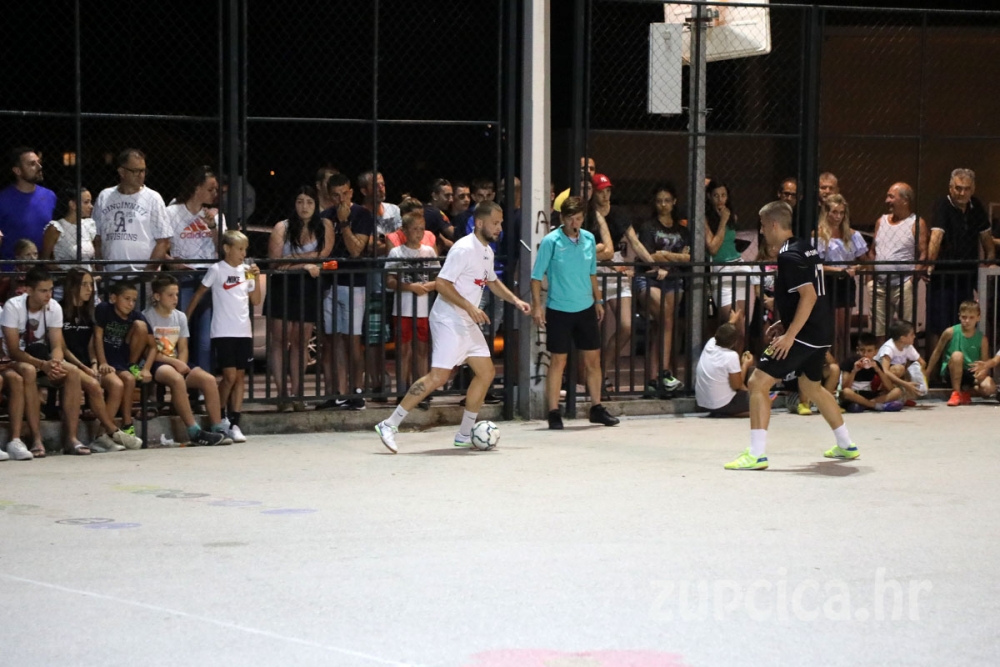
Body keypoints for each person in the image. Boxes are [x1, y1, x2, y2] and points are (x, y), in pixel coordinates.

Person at [374, 201, 531, 453]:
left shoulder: (487, 251)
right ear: (479, 223)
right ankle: (389, 424)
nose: (499, 228)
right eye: (495, 223)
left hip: (465, 321)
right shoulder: (463, 249)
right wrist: (470, 307)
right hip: (448, 319)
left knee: (486, 372)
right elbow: (442, 284)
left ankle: (464, 434)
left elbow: (492, 281)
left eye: (500, 223)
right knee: (438, 377)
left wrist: (515, 300)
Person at [724, 201, 858, 470]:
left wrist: (789, 335)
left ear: (774, 224)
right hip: (820, 331)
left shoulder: (788, 256)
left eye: (763, 226)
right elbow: (805, 296)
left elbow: (808, 296)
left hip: (804, 335)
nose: (762, 231)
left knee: (757, 382)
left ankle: (756, 454)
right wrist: (783, 321)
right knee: (812, 387)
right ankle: (846, 445)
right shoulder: (805, 247)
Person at [530, 196, 620, 430]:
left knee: (593, 360)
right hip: (559, 308)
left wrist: (598, 300)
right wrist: (537, 306)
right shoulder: (551, 241)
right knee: (558, 360)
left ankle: (596, 407)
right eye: (570, 219)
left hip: (585, 307)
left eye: (578, 218)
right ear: (562, 218)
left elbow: (592, 273)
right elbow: (536, 276)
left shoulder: (588, 239)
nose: (574, 223)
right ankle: (553, 411)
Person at [1, 267, 93, 457]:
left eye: (50, 290)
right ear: (29, 290)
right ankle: (36, 438)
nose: (48, 295)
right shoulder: (13, 306)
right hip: (17, 360)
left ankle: (71, 438)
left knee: (72, 372)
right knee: (29, 370)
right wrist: (43, 365)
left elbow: (57, 345)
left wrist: (56, 364)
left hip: (43, 357)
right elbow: (14, 350)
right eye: (43, 290)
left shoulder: (54, 307)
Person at [59, 268, 143, 452]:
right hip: (69, 364)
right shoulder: (59, 309)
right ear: (72, 286)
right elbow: (62, 348)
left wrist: (95, 363)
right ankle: (113, 431)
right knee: (94, 385)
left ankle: (100, 436)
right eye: (84, 284)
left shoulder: (91, 311)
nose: (89, 289)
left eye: (91, 284)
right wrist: (84, 367)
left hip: (90, 364)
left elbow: (92, 342)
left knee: (117, 384)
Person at [186, 231, 260, 442]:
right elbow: (199, 294)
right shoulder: (217, 270)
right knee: (229, 376)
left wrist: (255, 277)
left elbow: (255, 300)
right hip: (223, 331)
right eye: (239, 249)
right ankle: (219, 417)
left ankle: (235, 422)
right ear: (227, 248)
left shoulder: (246, 271)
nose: (243, 254)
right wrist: (185, 319)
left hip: (243, 330)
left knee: (240, 377)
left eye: (245, 249)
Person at [265, 186, 332, 411]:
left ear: (316, 204)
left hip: (308, 286)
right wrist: (304, 264)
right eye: (300, 201)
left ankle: (297, 394)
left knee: (301, 342)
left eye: (309, 202)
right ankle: (282, 394)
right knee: (279, 340)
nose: (304, 207)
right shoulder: (282, 227)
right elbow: (275, 263)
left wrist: (291, 259)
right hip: (282, 285)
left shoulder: (324, 225)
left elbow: (323, 255)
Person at [143, 276, 230, 446]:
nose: (175, 299)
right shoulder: (147, 316)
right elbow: (149, 351)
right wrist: (176, 365)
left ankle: (217, 427)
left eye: (176, 294)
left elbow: (183, 348)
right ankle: (194, 431)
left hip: (176, 361)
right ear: (157, 296)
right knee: (176, 379)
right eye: (170, 295)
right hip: (156, 361)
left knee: (209, 380)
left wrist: (181, 364)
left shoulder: (180, 317)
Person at [318, 174, 373, 410]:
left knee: (352, 339)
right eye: (336, 195)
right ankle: (336, 393)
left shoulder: (362, 215)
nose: (341, 199)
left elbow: (356, 251)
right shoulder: (324, 216)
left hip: (354, 284)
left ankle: (357, 391)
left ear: (351, 192)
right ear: (329, 196)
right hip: (329, 283)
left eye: (344, 194)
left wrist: (343, 223)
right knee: (332, 340)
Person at [926, 169, 994, 350]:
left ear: (973, 189)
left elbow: (986, 237)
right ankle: (936, 365)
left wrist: (989, 261)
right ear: (950, 188)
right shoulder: (942, 204)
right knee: (938, 323)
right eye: (958, 188)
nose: (962, 193)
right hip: (942, 274)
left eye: (966, 188)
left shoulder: (976, 205)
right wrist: (929, 265)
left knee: (966, 320)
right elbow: (936, 236)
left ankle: (962, 360)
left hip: (967, 275)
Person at [634, 183, 690, 398]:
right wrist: (672, 258)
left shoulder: (682, 230)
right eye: (659, 201)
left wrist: (665, 255)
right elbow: (650, 256)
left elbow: (688, 258)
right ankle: (665, 374)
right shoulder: (648, 226)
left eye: (667, 200)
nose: (663, 205)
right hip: (650, 278)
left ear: (674, 202)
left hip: (673, 280)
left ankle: (653, 380)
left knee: (662, 326)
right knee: (666, 319)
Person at [166, 165, 222, 373]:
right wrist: (171, 261)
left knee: (205, 338)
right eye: (210, 189)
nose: (214, 194)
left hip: (207, 277)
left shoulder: (215, 215)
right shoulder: (172, 212)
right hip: (183, 276)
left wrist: (213, 226)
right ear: (197, 188)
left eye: (216, 190)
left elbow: (223, 249)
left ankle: (202, 383)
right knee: (182, 333)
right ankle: (181, 379)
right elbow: (160, 246)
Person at [385, 212, 439, 403]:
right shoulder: (396, 253)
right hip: (403, 308)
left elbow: (437, 277)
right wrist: (410, 287)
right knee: (404, 350)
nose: (418, 232)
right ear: (405, 231)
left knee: (422, 349)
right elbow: (390, 280)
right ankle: (402, 390)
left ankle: (421, 390)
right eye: (414, 229)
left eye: (421, 229)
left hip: (424, 309)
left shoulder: (429, 252)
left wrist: (428, 287)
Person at [92, 148, 171, 275]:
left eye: (143, 170)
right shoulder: (105, 196)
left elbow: (163, 241)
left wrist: (148, 272)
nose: (141, 175)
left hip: (142, 272)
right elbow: (97, 238)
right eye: (135, 171)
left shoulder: (153, 198)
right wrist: (100, 271)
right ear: (121, 171)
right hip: (110, 273)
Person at [95, 280, 156, 439]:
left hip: (122, 358)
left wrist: (146, 368)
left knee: (140, 326)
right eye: (127, 299)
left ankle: (127, 423)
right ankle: (104, 433)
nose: (131, 304)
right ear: (114, 298)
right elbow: (97, 336)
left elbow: (153, 346)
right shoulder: (104, 309)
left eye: (134, 300)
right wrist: (102, 362)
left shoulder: (136, 316)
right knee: (125, 381)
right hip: (104, 358)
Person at [865, 182, 928, 336]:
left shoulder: (916, 223)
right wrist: (869, 280)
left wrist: (911, 281)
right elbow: (873, 251)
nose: (887, 200)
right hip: (879, 284)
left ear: (905, 200)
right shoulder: (881, 222)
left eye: (891, 197)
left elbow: (923, 254)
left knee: (905, 332)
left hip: (903, 284)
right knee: (878, 332)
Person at [814, 194, 867, 361]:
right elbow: (815, 264)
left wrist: (856, 268)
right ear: (826, 212)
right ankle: (831, 363)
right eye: (834, 212)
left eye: (841, 213)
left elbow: (865, 261)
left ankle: (844, 362)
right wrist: (838, 270)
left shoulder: (852, 234)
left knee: (844, 329)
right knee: (832, 328)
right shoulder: (819, 235)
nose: (838, 216)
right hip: (828, 281)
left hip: (846, 282)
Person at [705, 180, 751, 351]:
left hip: (739, 266)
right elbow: (713, 248)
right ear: (709, 197)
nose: (720, 199)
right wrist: (723, 221)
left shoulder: (732, 216)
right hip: (722, 270)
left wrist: (727, 219)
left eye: (723, 195)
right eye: (716, 195)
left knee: (741, 325)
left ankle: (737, 364)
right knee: (734, 325)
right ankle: (726, 363)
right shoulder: (705, 219)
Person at [925, 301, 995, 406]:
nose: (967, 321)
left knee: (989, 388)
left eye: (971, 317)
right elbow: (937, 351)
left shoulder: (982, 339)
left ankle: (966, 393)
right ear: (959, 317)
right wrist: (928, 373)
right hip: (952, 370)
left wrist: (982, 372)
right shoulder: (950, 332)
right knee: (957, 355)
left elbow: (984, 362)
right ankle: (956, 392)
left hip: (971, 372)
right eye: (964, 317)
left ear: (978, 318)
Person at [0, 147, 56, 267]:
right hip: (10, 271)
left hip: (41, 271)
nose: (39, 167)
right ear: (17, 171)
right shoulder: (3, 199)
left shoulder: (49, 196)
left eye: (39, 162)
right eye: (32, 164)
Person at [695, 309, 754, 417]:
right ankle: (732, 413)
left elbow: (721, 332)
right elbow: (737, 385)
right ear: (734, 342)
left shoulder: (710, 344)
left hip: (703, 404)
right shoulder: (731, 356)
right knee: (760, 402)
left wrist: (732, 321)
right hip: (722, 404)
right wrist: (745, 365)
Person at [42, 186, 101, 276]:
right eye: (86, 202)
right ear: (72, 204)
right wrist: (66, 274)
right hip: (67, 280)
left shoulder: (88, 225)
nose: (91, 206)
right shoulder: (56, 228)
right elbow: (45, 260)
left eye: (90, 202)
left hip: (88, 280)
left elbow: (91, 261)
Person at [838, 332, 904, 413]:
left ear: (875, 352)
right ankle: (876, 406)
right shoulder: (849, 362)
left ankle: (865, 405)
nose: (865, 354)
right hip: (854, 394)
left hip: (868, 395)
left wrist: (878, 370)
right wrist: (854, 371)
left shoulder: (876, 364)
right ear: (857, 350)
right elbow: (845, 387)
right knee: (846, 392)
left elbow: (889, 388)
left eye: (869, 351)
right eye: (862, 350)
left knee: (897, 391)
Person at [875, 320, 927, 402]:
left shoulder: (908, 346)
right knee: (899, 368)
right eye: (912, 334)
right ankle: (883, 394)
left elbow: (922, 363)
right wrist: (905, 384)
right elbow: (885, 371)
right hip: (879, 378)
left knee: (915, 392)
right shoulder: (889, 348)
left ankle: (898, 395)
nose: (914, 336)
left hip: (896, 378)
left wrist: (922, 380)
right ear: (902, 338)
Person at [0, 239, 38, 305]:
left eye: (35, 254)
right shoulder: (8, 279)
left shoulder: (41, 277)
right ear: (18, 257)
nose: (33, 258)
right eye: (28, 255)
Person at [425, 178, 455, 254]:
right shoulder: (435, 212)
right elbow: (454, 233)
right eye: (447, 195)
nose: (451, 199)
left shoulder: (426, 209)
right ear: (435, 196)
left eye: (451, 195)